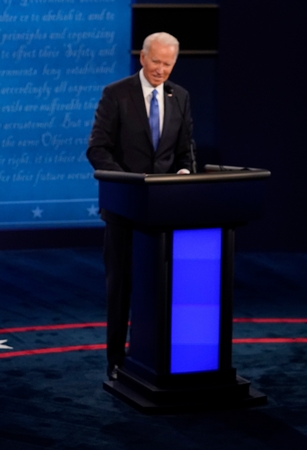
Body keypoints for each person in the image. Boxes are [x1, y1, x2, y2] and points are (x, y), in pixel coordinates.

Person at [86, 32, 194, 381]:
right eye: (157, 61)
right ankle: (116, 360)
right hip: (124, 210)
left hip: (166, 213)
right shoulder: (116, 94)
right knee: (121, 286)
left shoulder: (181, 97)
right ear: (143, 58)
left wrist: (186, 172)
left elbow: (185, 150)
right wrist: (130, 186)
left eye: (169, 63)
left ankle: (157, 356)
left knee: (162, 288)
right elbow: (98, 149)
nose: (162, 69)